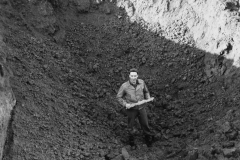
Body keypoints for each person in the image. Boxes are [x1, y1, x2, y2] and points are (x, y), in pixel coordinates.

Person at [116, 68, 155, 147]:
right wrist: (125, 104)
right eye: (132, 76)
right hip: (131, 109)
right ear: (129, 76)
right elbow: (119, 97)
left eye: (135, 76)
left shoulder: (142, 82)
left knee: (145, 124)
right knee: (130, 126)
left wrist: (148, 98)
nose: (133, 77)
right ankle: (131, 142)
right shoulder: (124, 86)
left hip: (141, 107)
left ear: (137, 76)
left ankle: (148, 140)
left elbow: (146, 91)